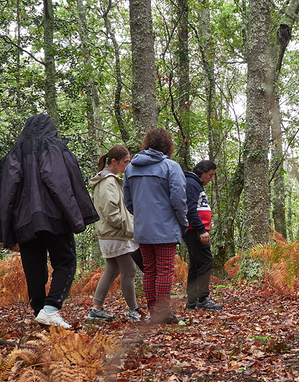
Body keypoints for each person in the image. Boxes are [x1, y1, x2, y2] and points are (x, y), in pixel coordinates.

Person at [0, 114, 99, 329]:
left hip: (23, 221)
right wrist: (75, 216)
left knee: (34, 268)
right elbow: (61, 183)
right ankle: (50, 309)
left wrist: (3, 230)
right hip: (54, 216)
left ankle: (40, 313)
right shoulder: (55, 148)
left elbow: (5, 194)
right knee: (65, 262)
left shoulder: (13, 154)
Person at [123, 128, 188, 324]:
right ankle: (163, 313)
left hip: (143, 227)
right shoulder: (170, 166)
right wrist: (183, 222)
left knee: (150, 270)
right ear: (168, 145)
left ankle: (154, 312)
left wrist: (142, 216)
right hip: (165, 227)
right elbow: (179, 199)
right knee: (165, 270)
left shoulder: (130, 168)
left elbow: (128, 200)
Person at [87, 145, 142, 322]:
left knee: (112, 269)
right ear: (114, 162)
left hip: (112, 233)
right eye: (126, 162)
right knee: (129, 270)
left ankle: (96, 309)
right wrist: (127, 226)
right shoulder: (107, 181)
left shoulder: (109, 180)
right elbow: (111, 213)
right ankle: (134, 311)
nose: (128, 165)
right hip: (116, 234)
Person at [183, 160, 222, 310]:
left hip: (195, 229)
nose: (211, 179)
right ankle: (203, 298)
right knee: (206, 261)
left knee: (196, 263)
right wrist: (201, 229)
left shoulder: (195, 184)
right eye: (210, 175)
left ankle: (193, 300)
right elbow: (190, 209)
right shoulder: (192, 184)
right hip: (194, 230)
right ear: (202, 172)